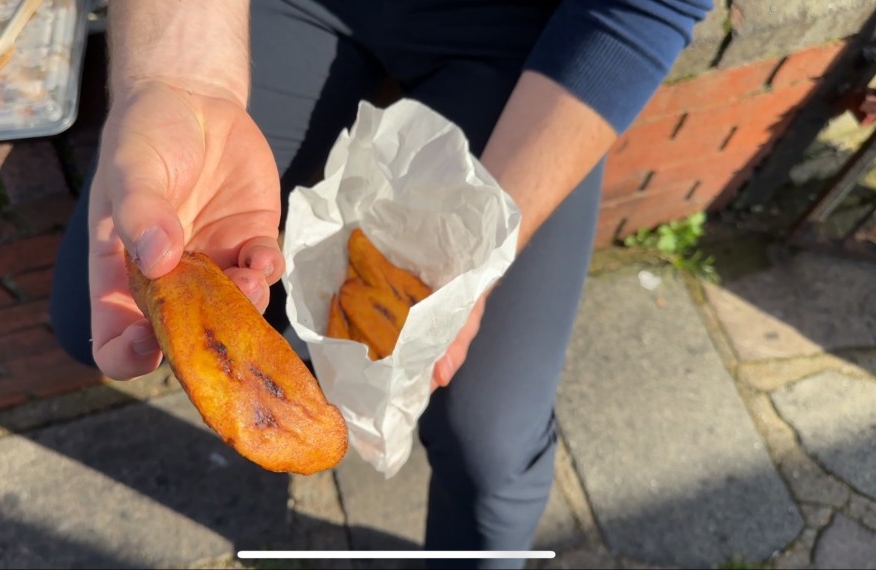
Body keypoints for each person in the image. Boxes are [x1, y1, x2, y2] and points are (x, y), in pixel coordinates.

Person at [50, 1, 712, 567]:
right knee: (102, 313)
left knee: (490, 439)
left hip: (524, 35)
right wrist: (180, 75)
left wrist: (479, 259)